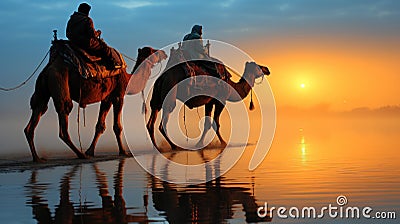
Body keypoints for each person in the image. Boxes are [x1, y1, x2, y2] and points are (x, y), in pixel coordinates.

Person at [66, 3, 121, 68]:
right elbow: (92, 35)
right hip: (86, 43)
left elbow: (67, 33)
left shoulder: (71, 19)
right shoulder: (87, 20)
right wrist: (98, 32)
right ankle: (111, 63)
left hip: (73, 42)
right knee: (104, 47)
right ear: (87, 11)